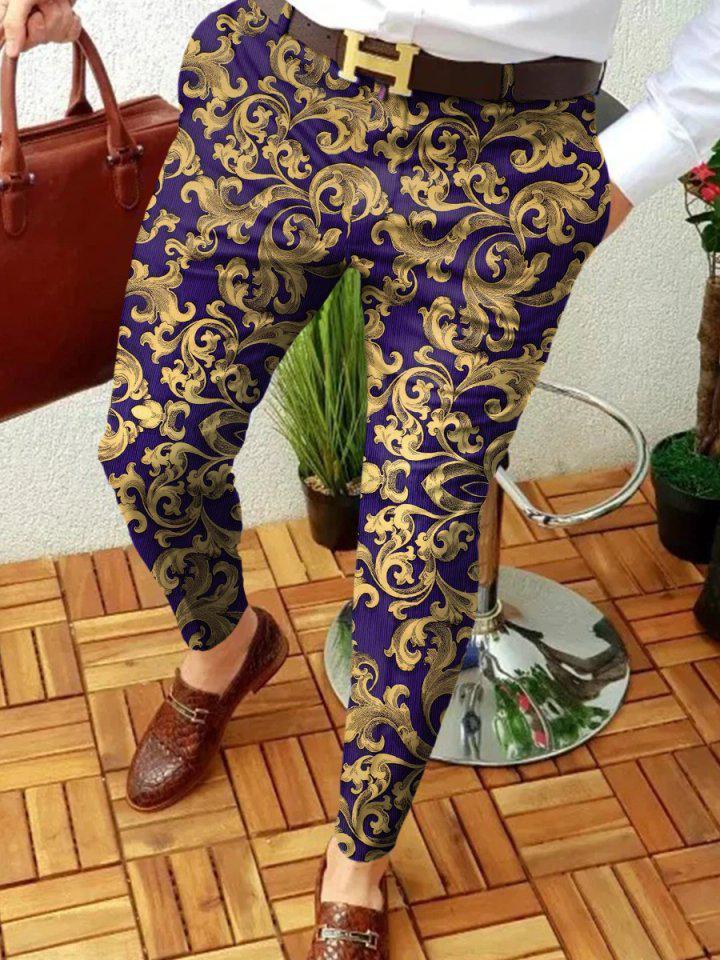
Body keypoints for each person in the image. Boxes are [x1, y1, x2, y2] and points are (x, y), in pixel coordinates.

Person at [3, 1, 719, 957]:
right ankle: (226, 647)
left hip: (503, 163)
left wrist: (642, 150)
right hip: (278, 96)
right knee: (154, 449)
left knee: (418, 553)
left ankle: (358, 859)